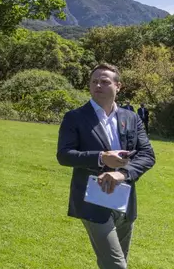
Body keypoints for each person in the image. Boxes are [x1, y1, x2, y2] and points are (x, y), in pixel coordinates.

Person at [57, 63, 155, 269]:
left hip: (125, 199)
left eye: (104, 81)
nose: (98, 85)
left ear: (118, 86)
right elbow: (64, 155)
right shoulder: (75, 117)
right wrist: (101, 158)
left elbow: (147, 155)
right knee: (117, 265)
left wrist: (122, 174)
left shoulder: (131, 118)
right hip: (93, 198)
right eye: (94, 81)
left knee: (114, 262)